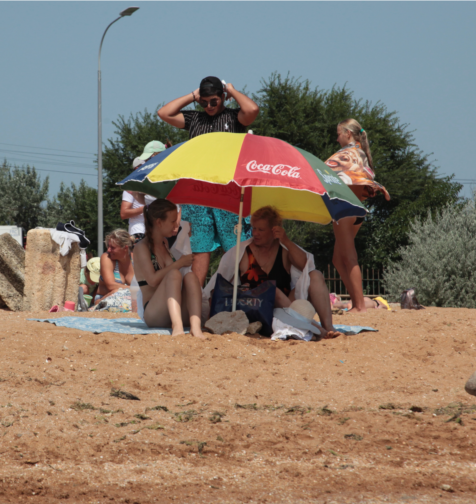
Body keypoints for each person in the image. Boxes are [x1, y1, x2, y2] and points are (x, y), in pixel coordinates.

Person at [158, 76, 259, 286]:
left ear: (224, 97)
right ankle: (197, 303)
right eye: (204, 102)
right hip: (198, 192)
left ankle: (242, 293)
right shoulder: (195, 119)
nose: (209, 106)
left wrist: (232, 89)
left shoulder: (234, 117)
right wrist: (192, 96)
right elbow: (164, 113)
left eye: (214, 101)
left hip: (228, 188)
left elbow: (252, 110)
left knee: (235, 247)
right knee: (200, 249)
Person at [209, 206, 341, 339]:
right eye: (254, 228)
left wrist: (286, 241)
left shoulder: (283, 250)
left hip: (286, 306)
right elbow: (222, 283)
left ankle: (328, 326)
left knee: (316, 275)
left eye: (261, 229)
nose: (255, 233)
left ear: (274, 231)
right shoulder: (243, 252)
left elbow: (306, 265)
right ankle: (314, 327)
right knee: (273, 291)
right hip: (256, 308)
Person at [326, 119, 389, 312]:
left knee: (349, 257)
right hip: (356, 211)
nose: (337, 139)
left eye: (338, 134)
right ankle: (359, 302)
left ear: (347, 133)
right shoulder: (360, 154)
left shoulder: (346, 155)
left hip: (345, 209)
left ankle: (359, 305)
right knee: (338, 259)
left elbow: (324, 171)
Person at [131, 200, 205, 338]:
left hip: (174, 309)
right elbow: (152, 281)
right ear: (159, 222)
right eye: (172, 221)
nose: (175, 225)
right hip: (154, 314)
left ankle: (196, 327)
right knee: (174, 274)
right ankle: (177, 327)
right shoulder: (141, 247)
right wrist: (179, 263)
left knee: (190, 276)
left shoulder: (164, 243)